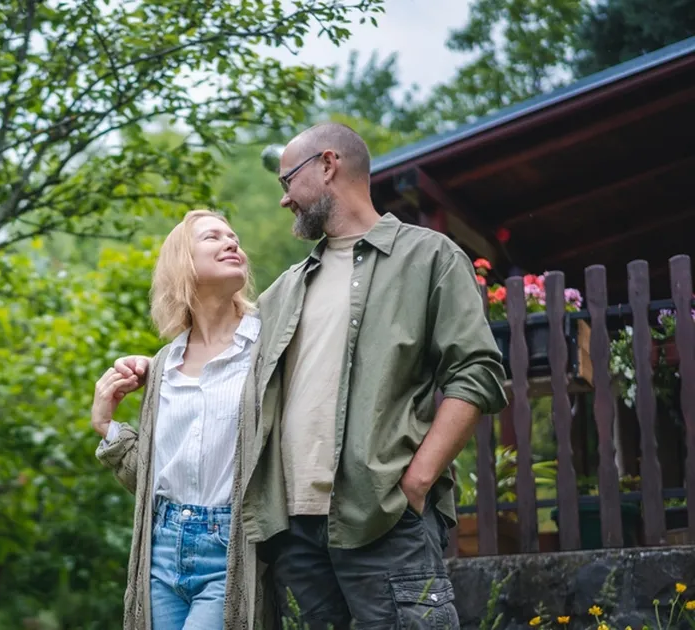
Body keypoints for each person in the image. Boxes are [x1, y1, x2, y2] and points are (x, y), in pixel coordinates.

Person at [112, 122, 508, 629]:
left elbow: (475, 371)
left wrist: (418, 479)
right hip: (294, 534)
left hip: (383, 516)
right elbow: (217, 356)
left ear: (327, 165)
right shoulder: (285, 290)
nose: (284, 201)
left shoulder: (428, 257)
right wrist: (153, 366)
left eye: (287, 182)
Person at [92, 209, 270, 630]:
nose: (232, 243)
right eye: (213, 237)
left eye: (234, 236)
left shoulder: (265, 348)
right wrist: (107, 426)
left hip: (229, 548)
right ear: (182, 263)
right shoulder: (163, 366)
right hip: (162, 545)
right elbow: (155, 481)